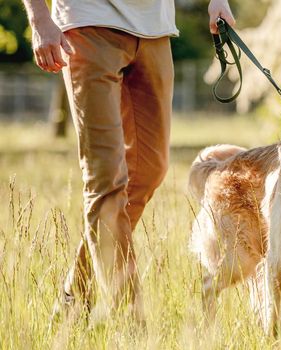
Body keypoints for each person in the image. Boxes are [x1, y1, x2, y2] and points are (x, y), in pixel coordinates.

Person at [22, 0, 237, 323]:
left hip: (154, 28)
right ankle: (131, 322)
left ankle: (74, 293)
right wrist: (39, 19)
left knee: (148, 171)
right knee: (105, 178)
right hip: (86, 22)